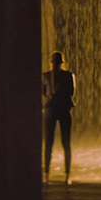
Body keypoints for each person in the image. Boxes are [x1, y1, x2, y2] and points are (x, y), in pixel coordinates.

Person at [42, 50, 75, 184]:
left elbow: (43, 93)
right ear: (62, 63)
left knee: (51, 143)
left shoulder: (45, 76)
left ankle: (48, 175)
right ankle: (65, 175)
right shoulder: (68, 76)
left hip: (51, 109)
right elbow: (72, 92)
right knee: (64, 143)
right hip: (60, 109)